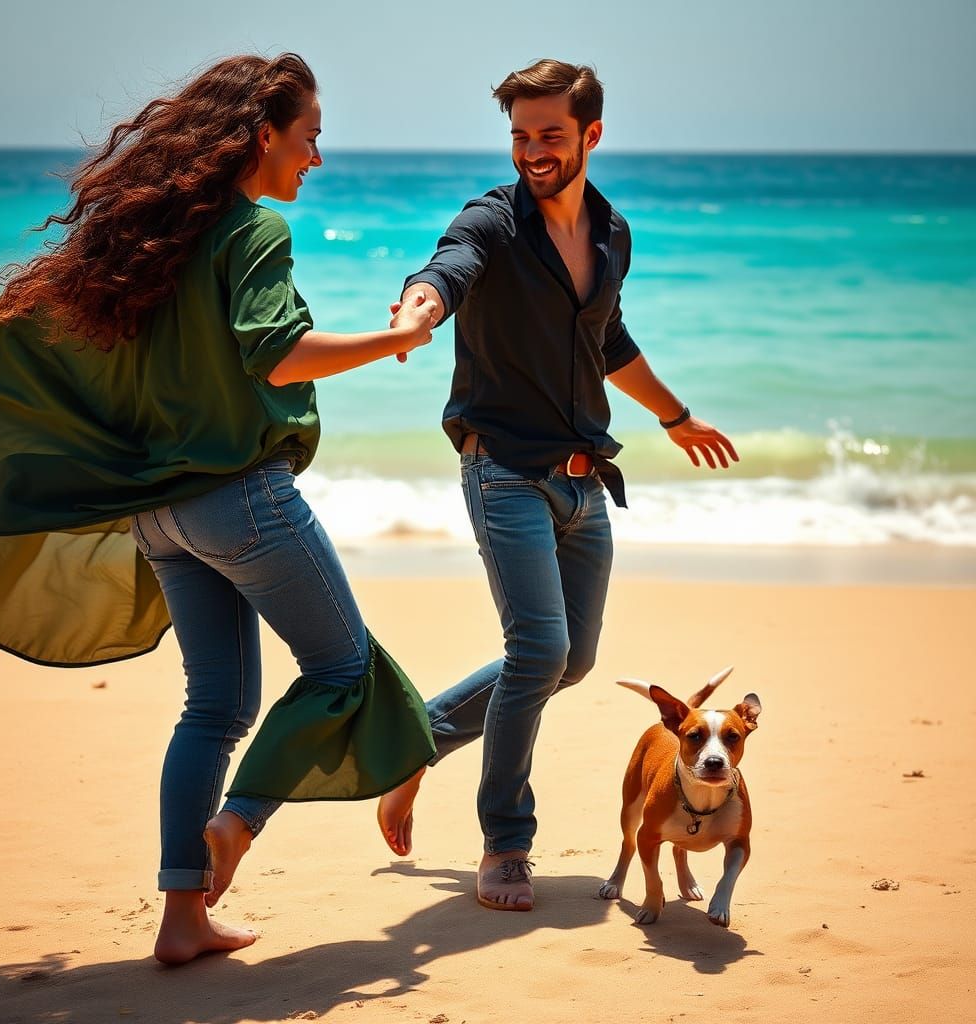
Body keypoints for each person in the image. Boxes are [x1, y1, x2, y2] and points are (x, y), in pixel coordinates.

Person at [0, 53, 438, 965]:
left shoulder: (151, 246)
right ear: (264, 137)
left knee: (214, 706)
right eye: (310, 139)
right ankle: (236, 826)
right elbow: (279, 354)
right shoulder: (253, 233)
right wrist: (401, 336)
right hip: (242, 502)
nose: (316, 159)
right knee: (342, 669)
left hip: (163, 518)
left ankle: (182, 919)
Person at [377, 59, 739, 911]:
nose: (532, 151)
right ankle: (505, 841)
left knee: (572, 660)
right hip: (501, 468)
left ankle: (409, 744)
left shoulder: (612, 233)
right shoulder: (493, 223)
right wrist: (416, 309)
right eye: (519, 135)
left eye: (549, 134)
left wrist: (675, 416)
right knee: (537, 651)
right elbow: (447, 267)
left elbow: (606, 339)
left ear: (590, 136)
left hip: (584, 482)